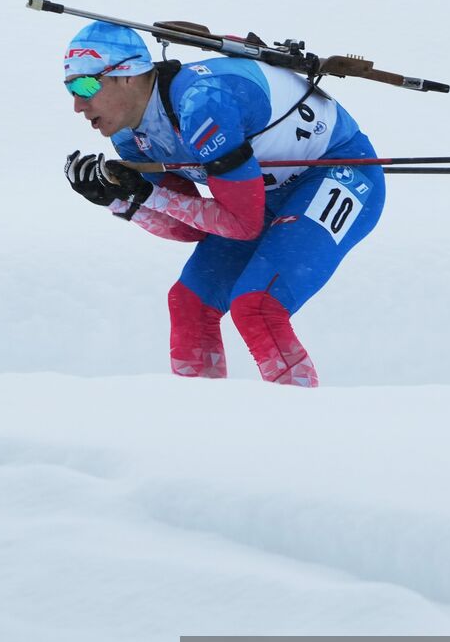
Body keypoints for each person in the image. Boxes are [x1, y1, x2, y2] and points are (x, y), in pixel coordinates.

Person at [62, 20, 385, 387]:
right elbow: (189, 229)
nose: (77, 104)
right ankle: (206, 416)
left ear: (128, 76)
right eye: (70, 89)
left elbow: (242, 225)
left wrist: (148, 196)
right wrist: (124, 202)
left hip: (338, 173)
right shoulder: (128, 136)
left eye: (85, 86)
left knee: (257, 305)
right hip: (262, 195)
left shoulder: (202, 103)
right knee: (190, 303)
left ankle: (299, 418)